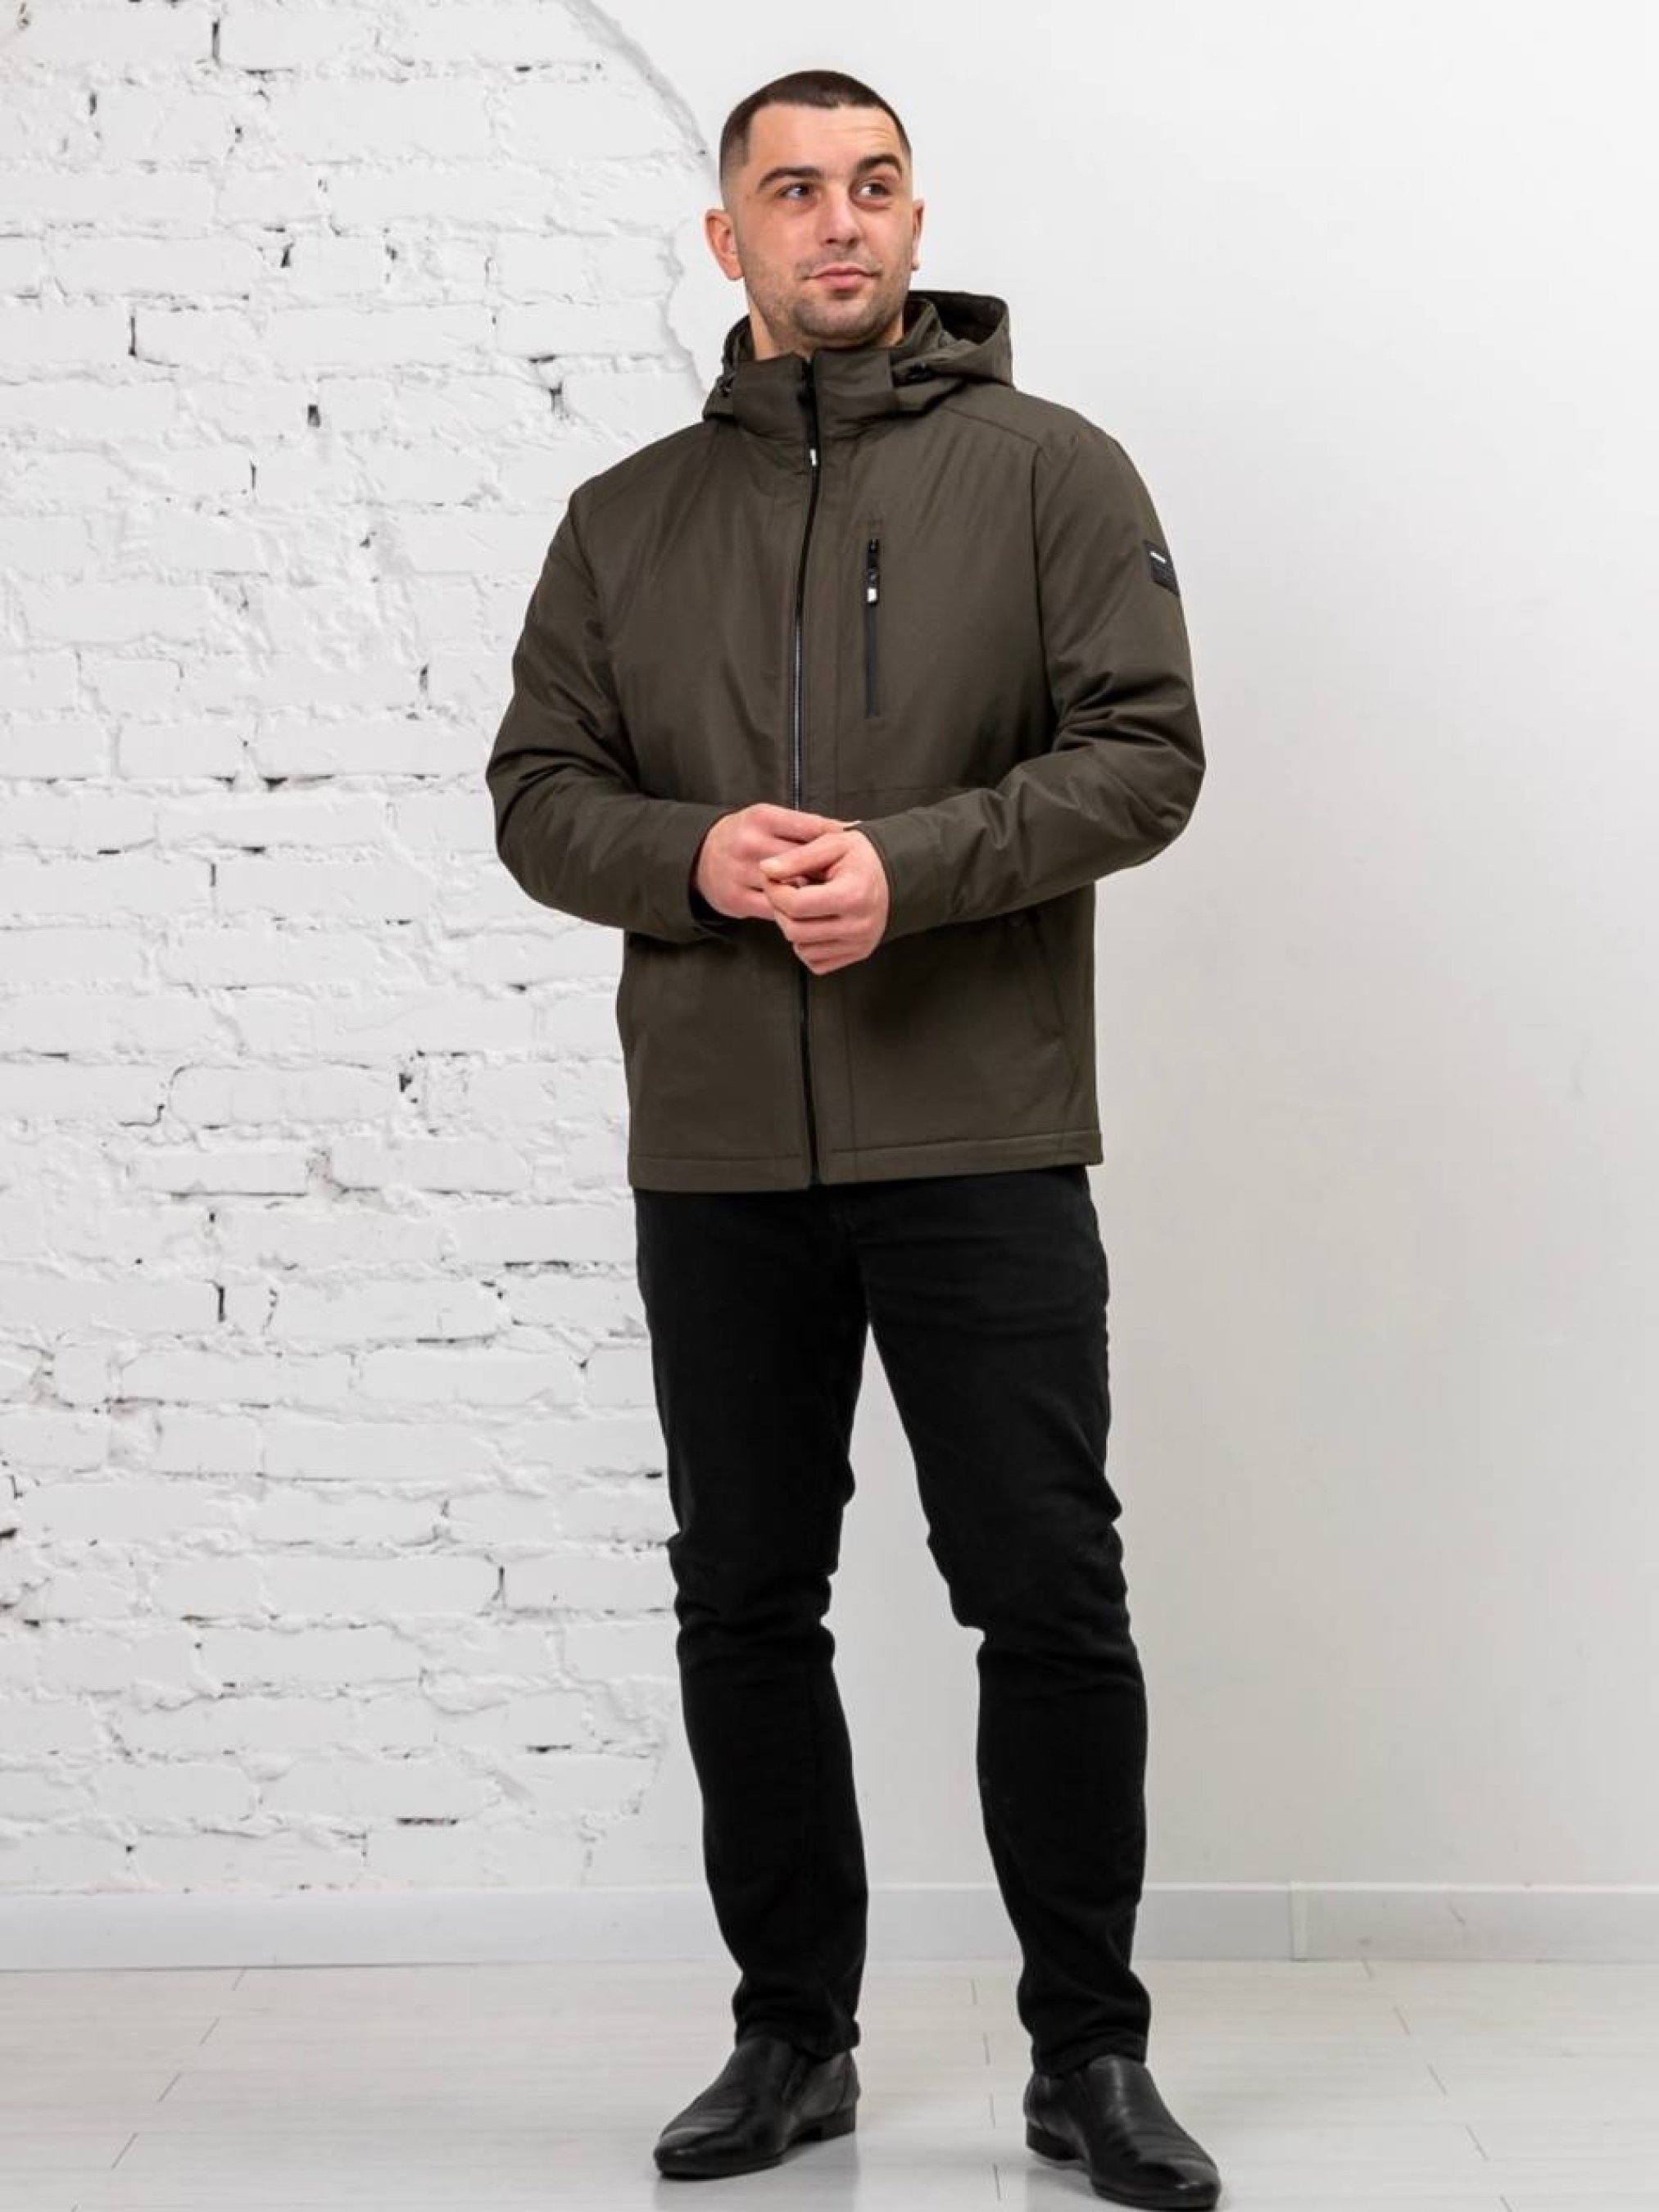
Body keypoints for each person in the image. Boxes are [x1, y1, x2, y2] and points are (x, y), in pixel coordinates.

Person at [485, 64, 1222, 2211]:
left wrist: (914, 865)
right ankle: (789, 2036)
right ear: (726, 240)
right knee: (745, 1598)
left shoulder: (1050, 471)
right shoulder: (625, 519)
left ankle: (1089, 2057)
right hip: (721, 1149)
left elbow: (1147, 754)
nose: (839, 222)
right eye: (794, 190)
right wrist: (698, 856)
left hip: (981, 1126)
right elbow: (539, 791)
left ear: (912, 219)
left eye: (873, 185)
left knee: (1046, 1592)